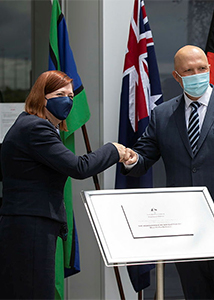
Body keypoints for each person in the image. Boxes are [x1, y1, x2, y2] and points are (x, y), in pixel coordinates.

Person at [123, 45, 214, 299]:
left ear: (209, 69)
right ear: (177, 77)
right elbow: (142, 159)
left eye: (202, 68)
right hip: (185, 229)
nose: (197, 74)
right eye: (189, 70)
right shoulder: (163, 114)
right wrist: (129, 158)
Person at [0, 70, 136, 299]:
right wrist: (114, 149)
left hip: (26, 223)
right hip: (30, 225)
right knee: (34, 292)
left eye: (71, 96)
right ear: (41, 97)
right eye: (60, 94)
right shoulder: (36, 128)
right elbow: (78, 167)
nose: (68, 100)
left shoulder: (31, 126)